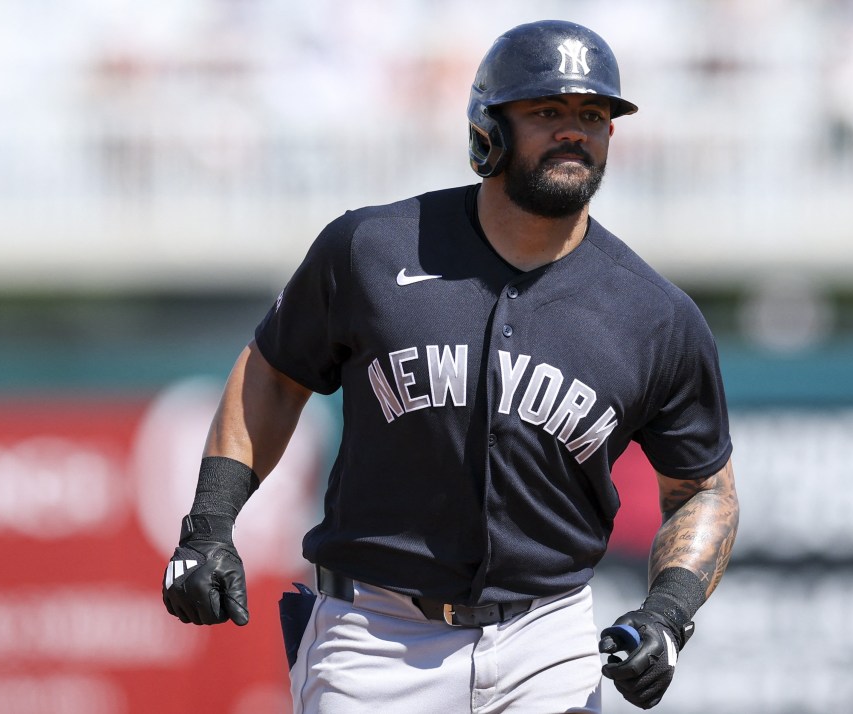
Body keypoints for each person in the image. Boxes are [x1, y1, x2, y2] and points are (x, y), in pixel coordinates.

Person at [162, 19, 739, 713]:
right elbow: (274, 372)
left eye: (592, 115)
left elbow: (703, 488)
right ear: (487, 132)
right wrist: (209, 523)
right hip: (375, 635)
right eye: (546, 111)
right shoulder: (371, 249)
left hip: (545, 639)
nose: (573, 131)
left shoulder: (654, 313)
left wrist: (669, 613)